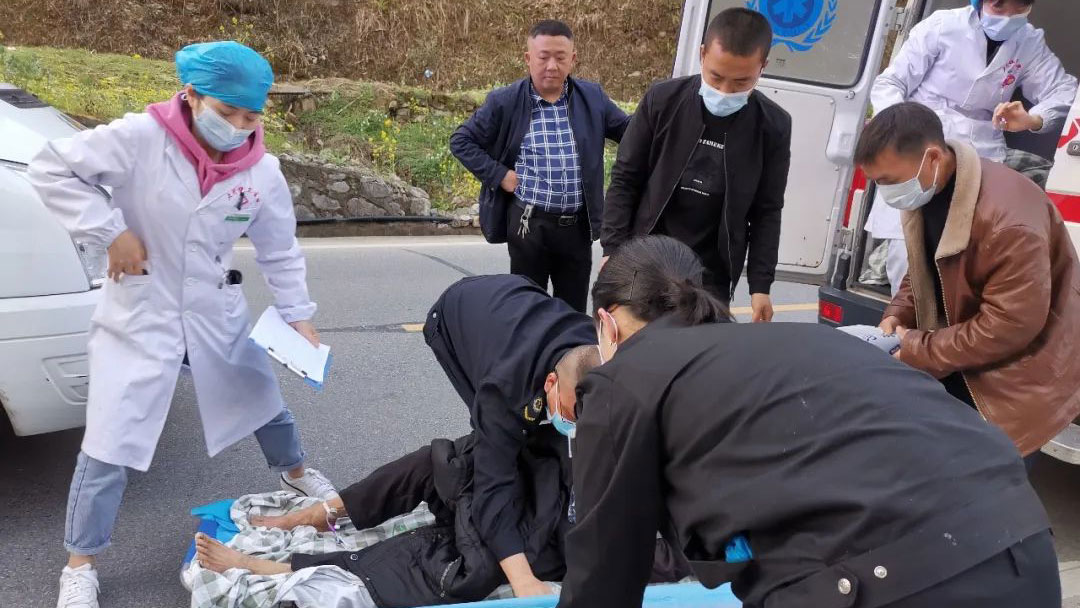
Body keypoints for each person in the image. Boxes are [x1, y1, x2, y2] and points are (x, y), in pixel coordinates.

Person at [556, 234, 1060, 608]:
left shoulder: (623, 380)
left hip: (897, 581)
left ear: (607, 322)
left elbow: (603, 571)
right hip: (1023, 546)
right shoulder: (805, 341)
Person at [28, 42, 338, 608]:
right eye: (227, 112)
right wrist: (111, 232)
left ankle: (295, 472)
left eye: (251, 116)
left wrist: (298, 315)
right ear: (191, 95)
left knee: (260, 397)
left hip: (212, 305)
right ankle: (81, 564)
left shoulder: (261, 170)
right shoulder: (140, 137)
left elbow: (279, 249)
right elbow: (51, 166)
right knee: (110, 440)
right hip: (142, 308)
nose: (239, 127)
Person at [192, 274, 687, 606]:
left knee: (459, 565)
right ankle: (317, 514)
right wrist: (523, 579)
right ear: (552, 385)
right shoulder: (506, 387)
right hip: (464, 320)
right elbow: (496, 479)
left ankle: (278, 566)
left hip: (542, 526)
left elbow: (663, 549)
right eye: (573, 416)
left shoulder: (615, 399)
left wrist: (523, 568)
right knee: (454, 461)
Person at [856, 102, 1080, 469]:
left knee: (988, 489)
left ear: (932, 157)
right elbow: (925, 266)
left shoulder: (1009, 221)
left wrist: (920, 348)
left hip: (1014, 383)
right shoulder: (929, 186)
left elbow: (1011, 325)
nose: (885, 193)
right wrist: (900, 312)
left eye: (888, 181)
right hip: (964, 358)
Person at [865, 0, 1078, 294]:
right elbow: (890, 83)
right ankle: (907, 317)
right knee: (909, 247)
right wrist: (902, 134)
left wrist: (1033, 119)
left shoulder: (1029, 41)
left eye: (1018, 9)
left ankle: (948, 321)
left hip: (982, 152)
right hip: (922, 143)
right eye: (999, 7)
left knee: (967, 251)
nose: (1008, 17)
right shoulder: (943, 26)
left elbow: (1064, 90)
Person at [600, 8, 790, 319]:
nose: (725, 91)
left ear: (762, 67)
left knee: (701, 348)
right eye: (716, 77)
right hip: (647, 258)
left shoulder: (773, 126)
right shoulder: (662, 100)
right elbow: (626, 177)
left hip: (711, 273)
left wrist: (760, 286)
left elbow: (767, 210)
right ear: (702, 54)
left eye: (741, 82)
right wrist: (613, 249)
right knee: (637, 342)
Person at [450, 20, 630, 313]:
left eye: (560, 57)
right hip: (529, 226)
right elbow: (461, 141)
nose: (551, 66)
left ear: (573, 59)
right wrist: (500, 175)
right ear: (528, 58)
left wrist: (660, 113)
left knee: (571, 314)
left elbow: (630, 132)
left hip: (577, 228)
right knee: (527, 311)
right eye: (543, 57)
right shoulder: (505, 101)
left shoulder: (592, 98)